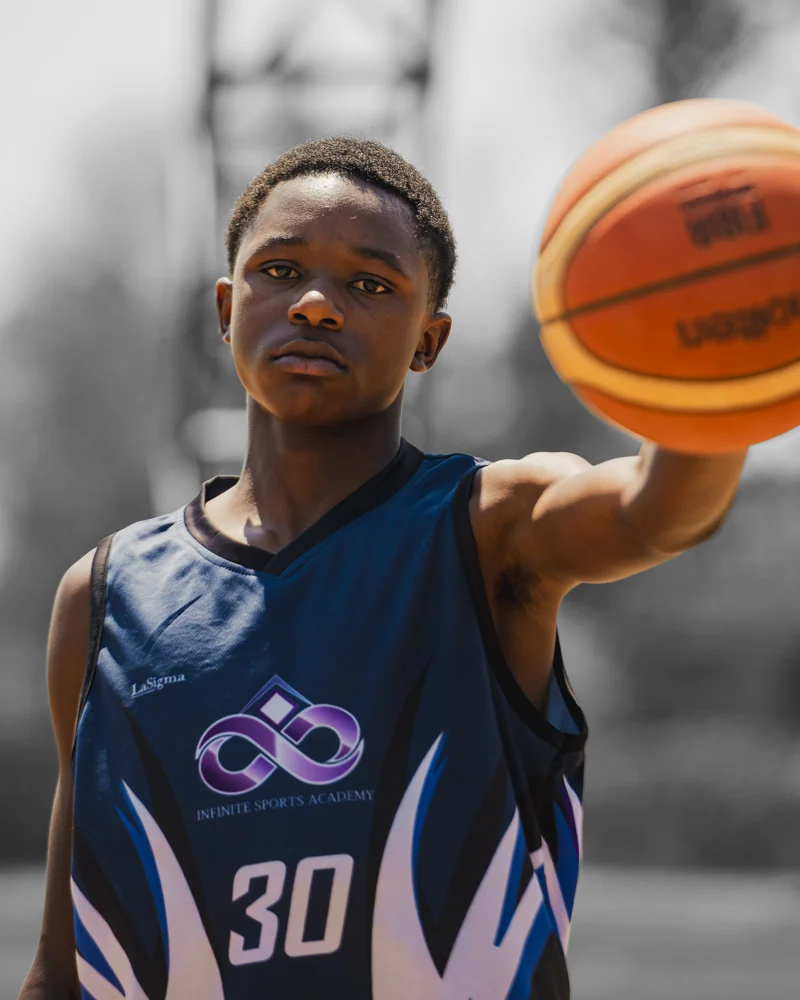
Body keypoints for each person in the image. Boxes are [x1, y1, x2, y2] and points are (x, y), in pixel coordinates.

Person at [19, 138, 746, 1000]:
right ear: (224, 308)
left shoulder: (488, 529)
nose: (317, 305)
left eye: (371, 285)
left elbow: (659, 510)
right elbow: (62, 972)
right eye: (279, 270)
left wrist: (720, 353)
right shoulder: (104, 597)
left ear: (428, 341)